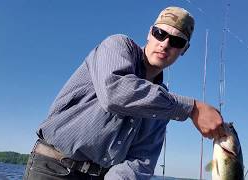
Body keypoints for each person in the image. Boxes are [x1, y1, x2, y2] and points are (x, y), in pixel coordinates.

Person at [23, 6, 224, 180]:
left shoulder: (164, 104)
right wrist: (191, 108)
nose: (165, 44)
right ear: (149, 33)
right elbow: (115, 92)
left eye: (177, 41)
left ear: (184, 50)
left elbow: (141, 160)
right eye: (160, 33)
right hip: (53, 167)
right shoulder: (118, 45)